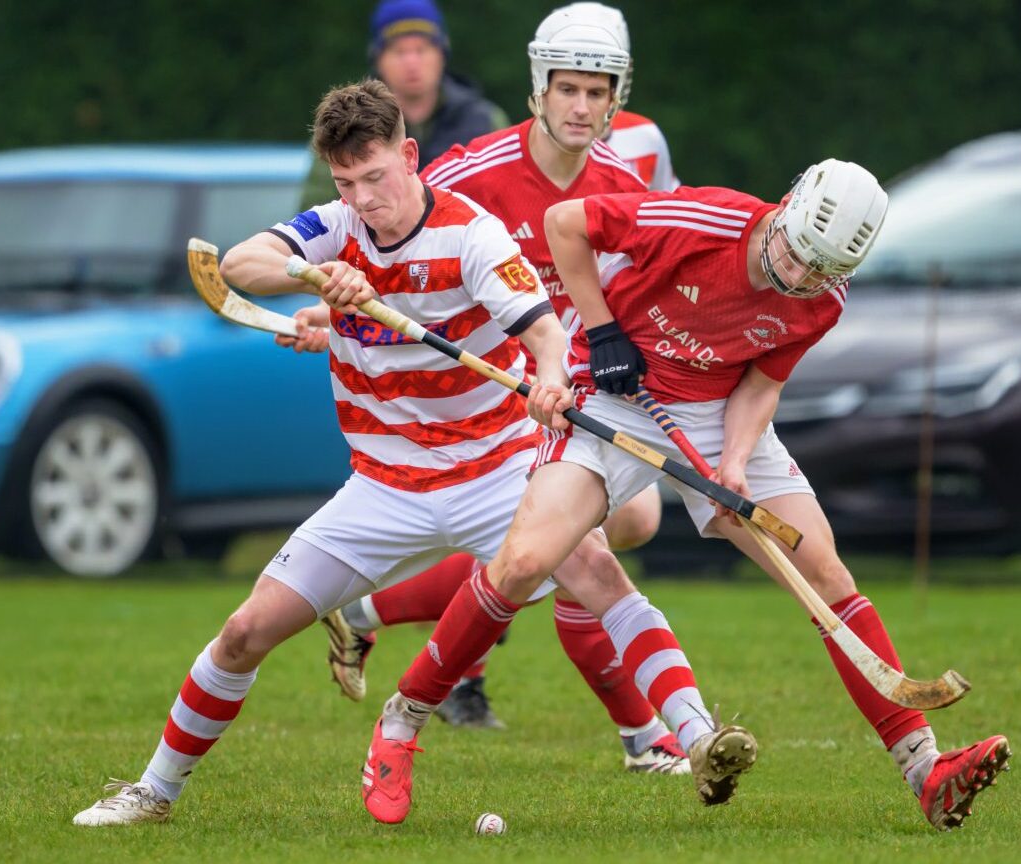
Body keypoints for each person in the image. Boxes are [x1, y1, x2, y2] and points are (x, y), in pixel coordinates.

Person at [72, 79, 752, 828]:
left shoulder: (473, 235)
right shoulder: (335, 229)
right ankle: (153, 792)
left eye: (376, 178)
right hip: (382, 485)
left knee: (598, 574)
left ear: (409, 155)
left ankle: (697, 737)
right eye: (347, 183)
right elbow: (237, 263)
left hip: (498, 469)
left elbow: (545, 335)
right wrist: (315, 278)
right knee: (243, 633)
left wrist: (551, 382)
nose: (365, 200)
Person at [379, 159, 1013, 832]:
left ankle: (926, 772)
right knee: (526, 563)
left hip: (717, 415)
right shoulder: (701, 221)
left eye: (819, 270)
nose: (798, 277)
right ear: (786, 208)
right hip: (614, 391)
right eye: (795, 255)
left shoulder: (822, 299)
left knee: (824, 569)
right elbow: (563, 225)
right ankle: (404, 717)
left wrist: (734, 464)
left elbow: (761, 386)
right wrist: (603, 331)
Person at [310, 3, 688, 772]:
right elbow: (392, 244)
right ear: (539, 88)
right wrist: (329, 308)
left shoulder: (629, 177)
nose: (582, 106)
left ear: (618, 94)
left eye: (598, 90)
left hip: (575, 387)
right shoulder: (466, 169)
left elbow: (645, 287)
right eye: (568, 89)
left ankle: (370, 609)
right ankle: (646, 737)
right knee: (577, 548)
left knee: (618, 528)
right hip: (494, 397)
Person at [298, 0, 508, 209]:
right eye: (399, 51)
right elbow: (317, 218)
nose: (411, 62)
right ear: (378, 58)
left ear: (442, 54)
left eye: (421, 49)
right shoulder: (344, 125)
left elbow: (508, 204)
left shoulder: (486, 121)